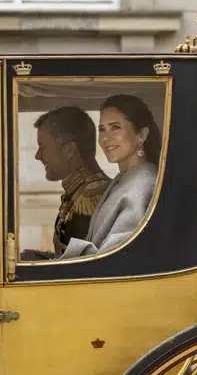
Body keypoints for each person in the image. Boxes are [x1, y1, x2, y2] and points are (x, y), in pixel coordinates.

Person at [60, 94, 160, 259]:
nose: (106, 138)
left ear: (141, 135)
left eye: (115, 127)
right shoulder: (125, 178)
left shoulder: (143, 185)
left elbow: (115, 256)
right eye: (102, 129)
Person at [20, 106, 110, 261]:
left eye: (43, 147)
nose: (37, 156)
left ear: (69, 150)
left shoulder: (91, 197)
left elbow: (83, 268)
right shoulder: (80, 192)